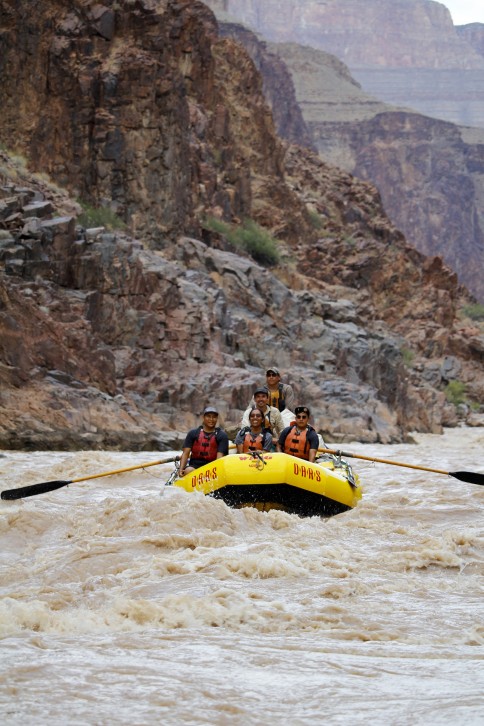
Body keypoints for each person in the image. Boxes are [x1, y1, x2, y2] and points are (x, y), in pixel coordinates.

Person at [179, 406, 229, 477]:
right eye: (208, 416)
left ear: (217, 419)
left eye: (214, 417)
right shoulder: (193, 433)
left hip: (212, 467)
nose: (211, 419)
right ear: (203, 417)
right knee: (188, 470)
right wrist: (181, 469)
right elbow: (186, 453)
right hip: (195, 466)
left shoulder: (222, 435)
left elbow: (219, 459)